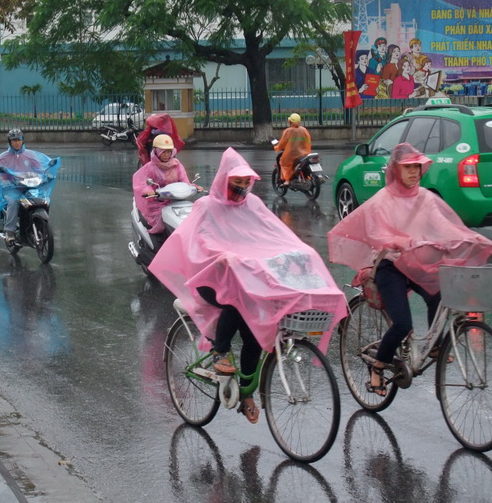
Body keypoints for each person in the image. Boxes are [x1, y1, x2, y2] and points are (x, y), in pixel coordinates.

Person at [149, 148, 347, 424]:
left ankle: (247, 394)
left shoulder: (252, 204)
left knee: (254, 331)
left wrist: (300, 250)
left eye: (245, 184)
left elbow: (274, 233)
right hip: (210, 278)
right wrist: (223, 256)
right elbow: (201, 242)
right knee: (237, 299)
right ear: (223, 181)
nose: (241, 190)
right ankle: (220, 351)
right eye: (235, 184)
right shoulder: (206, 206)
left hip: (244, 279)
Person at [328, 143, 492, 396]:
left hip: (418, 261)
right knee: (402, 324)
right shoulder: (382, 201)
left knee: (441, 296)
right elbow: (376, 233)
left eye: (417, 167)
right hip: (390, 266)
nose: (414, 172)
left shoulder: (426, 199)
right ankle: (378, 366)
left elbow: (443, 224)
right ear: (396, 169)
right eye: (408, 167)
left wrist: (466, 238)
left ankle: (433, 346)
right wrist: (399, 241)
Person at [0, 129, 59, 243]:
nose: (17, 143)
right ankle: (10, 231)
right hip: (11, 188)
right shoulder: (4, 157)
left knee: (42, 199)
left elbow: (39, 168)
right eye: (14, 140)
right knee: (13, 202)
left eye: (19, 140)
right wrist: (7, 180)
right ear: (10, 142)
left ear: (23, 141)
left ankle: (36, 224)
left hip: (28, 186)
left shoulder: (30, 155)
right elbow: (0, 173)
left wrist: (46, 173)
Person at [132, 134, 200, 238]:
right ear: (157, 151)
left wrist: (194, 187)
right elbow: (142, 183)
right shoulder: (150, 168)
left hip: (176, 201)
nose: (167, 154)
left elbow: (184, 181)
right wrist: (148, 190)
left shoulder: (177, 165)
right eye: (164, 152)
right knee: (160, 220)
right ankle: (160, 241)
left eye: (169, 151)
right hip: (157, 202)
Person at [273, 113, 311, 186]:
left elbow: (282, 143)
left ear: (290, 122)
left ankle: (287, 180)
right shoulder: (304, 130)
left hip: (292, 154)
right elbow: (308, 142)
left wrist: (277, 147)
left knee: (283, 162)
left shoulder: (288, 131)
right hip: (304, 153)